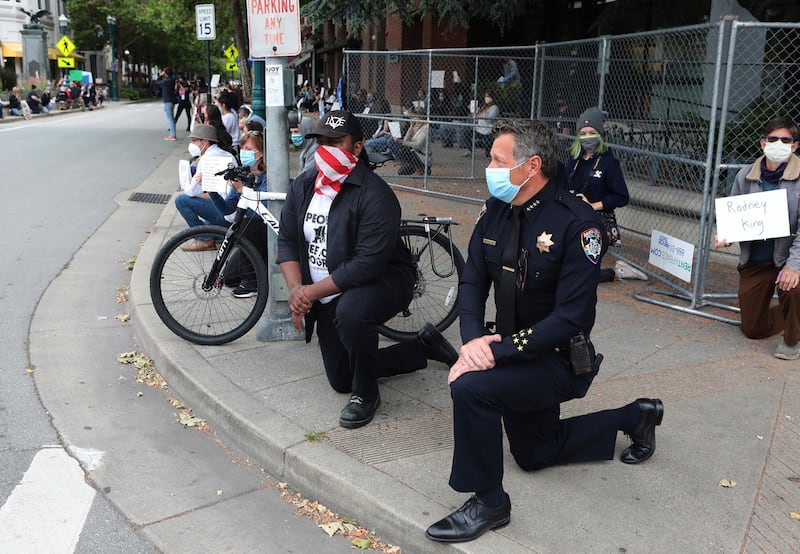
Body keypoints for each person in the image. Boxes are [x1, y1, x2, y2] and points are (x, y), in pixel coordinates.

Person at [425, 119, 664, 543]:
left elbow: (568, 318)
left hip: (557, 359)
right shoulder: (498, 209)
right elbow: (473, 280)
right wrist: (473, 339)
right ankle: (636, 416)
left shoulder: (578, 225)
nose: (490, 167)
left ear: (531, 165)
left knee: (471, 389)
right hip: (511, 351)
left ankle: (490, 502)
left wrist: (492, 355)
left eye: (498, 160)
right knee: (536, 454)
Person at [276, 110, 459, 429]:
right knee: (340, 378)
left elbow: (365, 265)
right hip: (327, 291)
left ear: (357, 147)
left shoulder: (375, 194)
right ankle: (422, 347)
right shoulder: (304, 185)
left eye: (336, 142)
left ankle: (366, 394)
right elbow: (288, 240)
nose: (326, 148)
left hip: (385, 280)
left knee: (351, 312)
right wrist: (295, 291)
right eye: (320, 141)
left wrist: (310, 292)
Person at [715, 116, 800, 360]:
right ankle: (792, 315)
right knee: (752, 329)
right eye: (772, 139)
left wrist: (794, 267)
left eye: (785, 140)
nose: (778, 144)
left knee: (793, 287)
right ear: (763, 143)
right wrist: (726, 235)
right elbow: (735, 216)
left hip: (789, 257)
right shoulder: (745, 175)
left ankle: (793, 339)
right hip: (757, 260)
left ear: (795, 146)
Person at [564, 107, 647, 282]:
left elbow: (621, 197)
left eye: (592, 132)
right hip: (572, 217)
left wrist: (593, 205)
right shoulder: (574, 161)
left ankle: (617, 273)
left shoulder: (609, 163)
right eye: (583, 133)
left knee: (582, 275)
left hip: (597, 220)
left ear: (600, 134)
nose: (587, 136)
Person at [209, 129, 270, 298]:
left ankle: (253, 284)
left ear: (262, 153)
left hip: (266, 234)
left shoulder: (270, 177)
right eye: (243, 149)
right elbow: (227, 210)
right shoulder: (245, 175)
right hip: (251, 236)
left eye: (250, 149)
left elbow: (261, 212)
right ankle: (259, 271)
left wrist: (242, 190)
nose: (245, 153)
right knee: (229, 278)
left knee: (247, 224)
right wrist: (212, 190)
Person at [175, 124, 239, 251]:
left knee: (181, 200)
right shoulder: (227, 154)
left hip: (226, 213)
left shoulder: (207, 159)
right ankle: (212, 233)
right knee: (204, 224)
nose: (192, 144)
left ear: (205, 142)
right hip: (234, 210)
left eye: (194, 141)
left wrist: (187, 186)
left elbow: (192, 192)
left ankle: (204, 240)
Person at [459, 91, 500, 158]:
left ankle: (489, 153)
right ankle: (470, 151)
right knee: (466, 134)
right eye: (486, 97)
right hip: (479, 129)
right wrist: (474, 111)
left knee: (487, 149)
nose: (486, 98)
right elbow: (476, 118)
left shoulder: (494, 108)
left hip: (488, 131)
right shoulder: (484, 107)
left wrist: (483, 113)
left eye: (488, 97)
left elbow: (490, 119)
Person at [396, 109, 431, 175]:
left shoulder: (426, 128)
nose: (413, 119)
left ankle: (420, 169)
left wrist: (403, 142)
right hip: (415, 152)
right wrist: (411, 127)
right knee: (401, 172)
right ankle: (411, 166)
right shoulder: (415, 127)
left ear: (421, 118)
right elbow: (406, 140)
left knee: (407, 150)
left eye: (415, 117)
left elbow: (418, 145)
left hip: (422, 155)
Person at [155, 67, 177, 140]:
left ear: (166, 73)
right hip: (172, 100)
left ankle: (172, 135)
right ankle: (173, 134)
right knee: (172, 118)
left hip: (167, 101)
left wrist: (160, 76)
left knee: (170, 119)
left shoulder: (166, 81)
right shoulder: (172, 80)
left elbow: (157, 82)